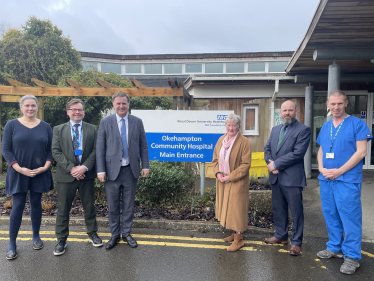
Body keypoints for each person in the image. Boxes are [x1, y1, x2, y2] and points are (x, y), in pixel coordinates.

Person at [316, 90, 372, 275]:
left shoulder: (357, 124)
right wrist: (321, 168)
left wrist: (340, 171)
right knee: (331, 215)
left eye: (340, 103)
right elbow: (321, 150)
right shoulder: (325, 127)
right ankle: (334, 247)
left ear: (346, 103)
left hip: (347, 180)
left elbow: (361, 152)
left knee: (350, 218)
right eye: (333, 104)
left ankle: (352, 257)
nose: (336, 107)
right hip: (326, 179)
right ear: (327, 105)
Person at [2, 95, 54, 260]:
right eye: (27, 106)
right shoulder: (12, 125)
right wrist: (19, 168)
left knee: (36, 204)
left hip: (39, 171)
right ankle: (12, 243)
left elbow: (51, 150)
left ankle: (36, 236)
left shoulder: (45, 127)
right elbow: (6, 149)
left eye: (33, 105)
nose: (30, 108)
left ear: (37, 107)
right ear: (21, 107)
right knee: (17, 206)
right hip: (18, 171)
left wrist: (45, 166)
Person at [96, 91, 149, 250]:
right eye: (118, 103)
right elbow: (100, 148)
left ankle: (126, 233)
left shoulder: (137, 122)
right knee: (112, 206)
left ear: (128, 104)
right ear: (113, 105)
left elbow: (143, 146)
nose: (121, 106)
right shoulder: (105, 122)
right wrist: (100, 170)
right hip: (111, 171)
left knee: (128, 205)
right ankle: (114, 235)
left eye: (124, 103)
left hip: (130, 170)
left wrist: (145, 166)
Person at [51, 99, 102, 256]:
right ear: (68, 112)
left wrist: (84, 167)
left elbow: (96, 150)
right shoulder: (58, 129)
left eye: (80, 109)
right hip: (66, 175)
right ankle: (61, 239)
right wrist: (72, 168)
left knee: (89, 206)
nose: (77, 112)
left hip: (86, 175)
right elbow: (55, 151)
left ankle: (92, 233)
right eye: (74, 109)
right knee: (63, 209)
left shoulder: (93, 129)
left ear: (83, 112)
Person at [264, 100, 311, 256]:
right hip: (275, 177)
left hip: (292, 178)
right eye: (284, 110)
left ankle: (296, 242)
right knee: (279, 208)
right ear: (280, 112)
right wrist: (270, 163)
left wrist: (276, 164)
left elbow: (298, 154)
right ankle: (281, 235)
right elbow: (267, 148)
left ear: (296, 111)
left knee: (296, 211)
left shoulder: (303, 130)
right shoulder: (275, 129)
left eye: (290, 110)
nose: (287, 113)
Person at [212, 114, 251, 252]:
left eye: (234, 125)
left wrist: (230, 177)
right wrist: (217, 173)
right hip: (222, 180)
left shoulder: (244, 142)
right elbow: (215, 159)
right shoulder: (221, 140)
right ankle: (234, 233)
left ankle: (239, 240)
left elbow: (245, 165)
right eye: (229, 125)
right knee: (227, 208)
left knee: (237, 209)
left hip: (236, 181)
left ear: (238, 126)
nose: (231, 128)